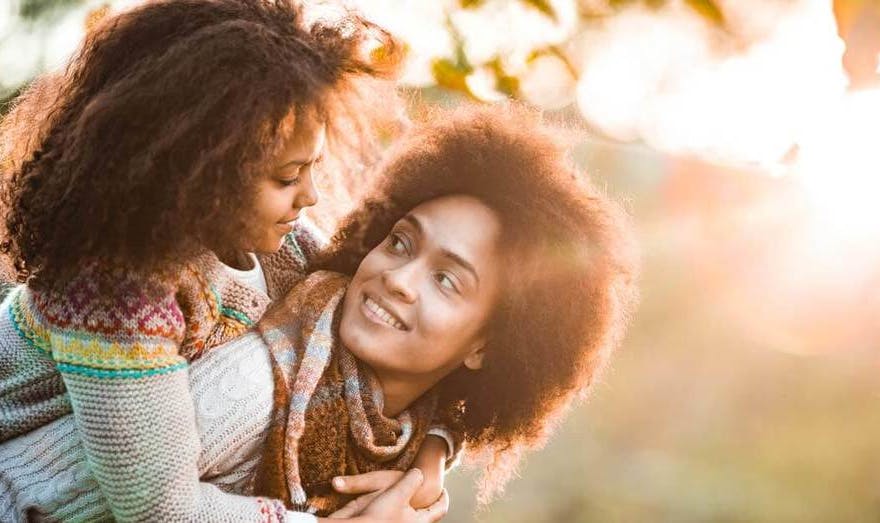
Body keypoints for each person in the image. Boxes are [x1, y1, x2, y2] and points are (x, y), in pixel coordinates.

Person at [1, 105, 639, 521]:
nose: (398, 279)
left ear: (485, 347)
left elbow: (450, 406)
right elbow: (77, 504)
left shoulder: (395, 424)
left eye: (447, 280)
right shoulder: (255, 381)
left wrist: (433, 457)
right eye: (400, 242)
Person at [0, 1, 449, 521]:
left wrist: (432, 453)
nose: (311, 196)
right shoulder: (111, 294)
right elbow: (163, 512)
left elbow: (396, 345)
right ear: (200, 173)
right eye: (287, 176)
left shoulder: (286, 247)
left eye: (314, 167)